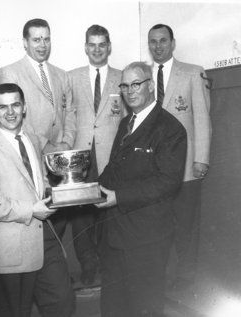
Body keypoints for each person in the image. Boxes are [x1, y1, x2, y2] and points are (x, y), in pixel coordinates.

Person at [0, 83, 74, 317]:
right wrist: (31, 209)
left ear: (24, 107)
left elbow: (38, 181)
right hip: (11, 248)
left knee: (62, 302)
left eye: (15, 105)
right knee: (14, 312)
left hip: (46, 238)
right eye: (2, 107)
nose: (10, 112)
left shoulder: (32, 140)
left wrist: (56, 193)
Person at [96, 62, 187, 316]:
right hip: (115, 236)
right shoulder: (126, 122)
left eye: (136, 84)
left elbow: (168, 181)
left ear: (150, 86)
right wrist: (88, 189)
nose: (129, 90)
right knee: (114, 307)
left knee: (144, 307)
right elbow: (113, 169)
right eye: (124, 85)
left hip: (147, 239)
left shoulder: (170, 129)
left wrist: (119, 197)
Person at [0, 18, 76, 238]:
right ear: (25, 42)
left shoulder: (62, 75)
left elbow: (70, 112)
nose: (42, 45)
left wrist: (66, 144)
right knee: (36, 227)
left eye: (46, 39)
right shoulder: (10, 73)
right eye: (36, 39)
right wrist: (47, 145)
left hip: (61, 161)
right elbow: (14, 120)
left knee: (58, 221)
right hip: (30, 158)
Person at [148, 23, 212, 290]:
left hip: (186, 166)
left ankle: (186, 280)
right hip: (153, 170)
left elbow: (202, 118)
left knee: (186, 226)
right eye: (153, 41)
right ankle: (157, 279)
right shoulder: (142, 76)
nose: (158, 46)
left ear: (173, 43)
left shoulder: (192, 73)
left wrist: (202, 159)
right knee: (156, 228)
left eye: (163, 41)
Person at [68, 24, 126, 285]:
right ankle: (88, 265)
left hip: (111, 156)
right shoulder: (72, 77)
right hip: (80, 156)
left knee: (106, 212)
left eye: (102, 44)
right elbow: (67, 115)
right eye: (92, 44)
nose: (97, 49)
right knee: (81, 215)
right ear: (85, 48)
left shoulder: (122, 77)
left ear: (109, 47)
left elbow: (127, 118)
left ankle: (106, 263)